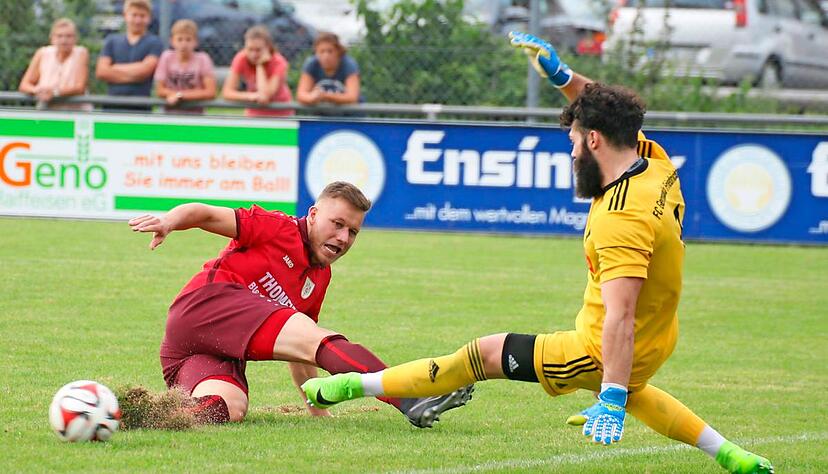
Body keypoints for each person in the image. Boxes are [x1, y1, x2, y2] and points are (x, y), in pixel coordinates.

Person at [300, 34, 774, 474]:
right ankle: (729, 454)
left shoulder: (619, 218)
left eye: (572, 141)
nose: (569, 152)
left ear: (592, 141)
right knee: (637, 391)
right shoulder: (655, 162)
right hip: (659, 337)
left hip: (597, 349)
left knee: (481, 355)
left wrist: (609, 393)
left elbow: (621, 317)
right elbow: (612, 117)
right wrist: (564, 77)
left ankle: (350, 385)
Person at [127, 181, 472, 427]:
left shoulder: (319, 278)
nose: (342, 238)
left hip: (197, 352)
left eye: (352, 232)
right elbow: (205, 214)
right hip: (204, 305)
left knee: (230, 407)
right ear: (312, 214)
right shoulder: (278, 228)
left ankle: (135, 415)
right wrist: (170, 220)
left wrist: (317, 411)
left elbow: (303, 351)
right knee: (318, 337)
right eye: (337, 224)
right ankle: (410, 396)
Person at [95, 0, 163, 112]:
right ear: (125, 16)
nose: (138, 20)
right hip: (111, 107)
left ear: (149, 18)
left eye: (142, 16)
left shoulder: (155, 42)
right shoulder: (111, 41)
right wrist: (134, 73)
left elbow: (144, 72)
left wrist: (115, 68)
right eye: (134, 15)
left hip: (141, 108)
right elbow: (102, 72)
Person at [18, 18, 91, 111]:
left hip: (75, 112)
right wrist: (37, 91)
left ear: (75, 38)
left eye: (68, 36)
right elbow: (24, 84)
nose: (64, 40)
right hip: (46, 111)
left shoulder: (81, 53)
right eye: (59, 36)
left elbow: (80, 87)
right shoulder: (42, 53)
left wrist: (55, 93)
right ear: (52, 38)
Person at [221, 26, 293, 117]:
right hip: (254, 112)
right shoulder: (241, 58)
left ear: (268, 48)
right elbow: (227, 92)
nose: (253, 54)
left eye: (258, 50)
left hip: (280, 112)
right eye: (250, 49)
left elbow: (264, 97)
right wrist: (250, 96)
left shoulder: (279, 62)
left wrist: (260, 66)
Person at [154, 19, 217, 114]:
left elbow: (210, 92)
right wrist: (173, 95)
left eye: (188, 39)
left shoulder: (203, 59)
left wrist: (180, 95)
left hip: (196, 114)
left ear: (196, 42)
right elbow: (159, 90)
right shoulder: (166, 57)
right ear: (172, 41)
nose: (184, 44)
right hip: (169, 113)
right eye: (179, 39)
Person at [296, 32, 362, 107]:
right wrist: (313, 97)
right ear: (316, 52)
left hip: (349, 116)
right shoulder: (311, 64)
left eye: (330, 51)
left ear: (338, 51)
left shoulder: (349, 64)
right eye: (321, 51)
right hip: (321, 117)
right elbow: (301, 95)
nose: (326, 56)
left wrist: (325, 96)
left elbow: (352, 97)